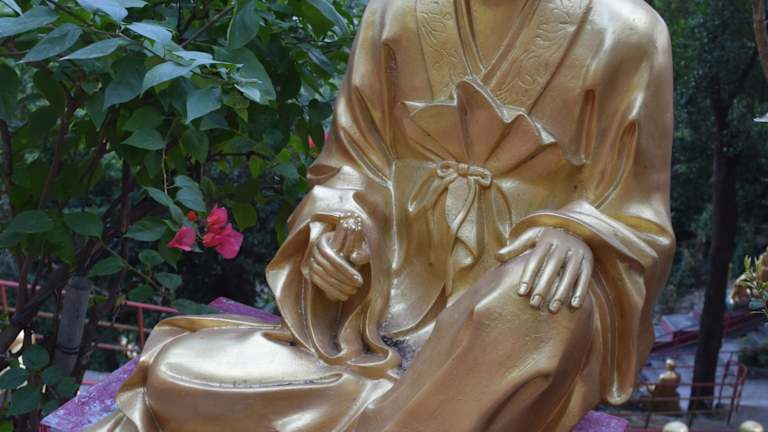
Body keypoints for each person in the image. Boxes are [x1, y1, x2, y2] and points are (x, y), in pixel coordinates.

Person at [92, 0, 675, 430]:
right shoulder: (395, 13)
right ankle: (418, 414)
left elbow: (638, 214)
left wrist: (580, 234)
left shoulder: (627, 32)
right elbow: (354, 166)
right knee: (174, 373)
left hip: (506, 320)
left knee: (540, 299)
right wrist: (337, 227)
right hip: (379, 325)